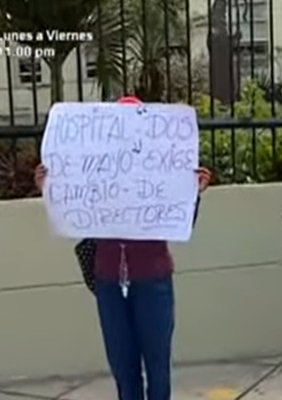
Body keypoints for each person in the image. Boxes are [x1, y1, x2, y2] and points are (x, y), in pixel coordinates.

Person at [34, 95, 212, 400]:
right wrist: (50, 188)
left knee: (157, 365)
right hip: (109, 281)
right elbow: (75, 209)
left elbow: (179, 222)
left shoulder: (157, 166)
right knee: (122, 366)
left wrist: (192, 193)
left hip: (152, 278)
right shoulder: (98, 168)